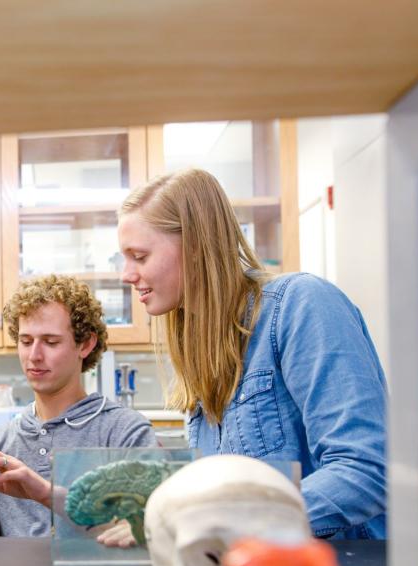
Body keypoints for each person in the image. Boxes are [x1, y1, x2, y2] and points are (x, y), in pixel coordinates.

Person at [116, 168, 387, 539]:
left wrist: (223, 520)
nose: (126, 275)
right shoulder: (202, 350)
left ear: (195, 247)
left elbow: (366, 470)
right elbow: (225, 492)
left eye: (139, 256)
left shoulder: (302, 305)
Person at [0, 274, 157, 539]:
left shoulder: (124, 431)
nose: (34, 356)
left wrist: (45, 494)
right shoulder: (1, 444)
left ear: (85, 344)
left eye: (51, 342)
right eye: (26, 341)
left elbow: (154, 530)